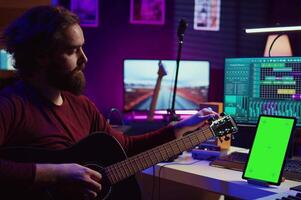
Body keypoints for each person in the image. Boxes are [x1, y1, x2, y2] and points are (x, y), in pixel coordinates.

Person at [0, 6, 217, 200]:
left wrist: (180, 128)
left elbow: (125, 148)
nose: (84, 58)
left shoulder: (82, 106)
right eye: (72, 50)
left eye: (82, 48)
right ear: (41, 56)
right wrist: (56, 174)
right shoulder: (11, 105)